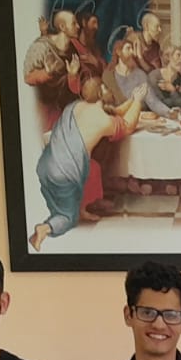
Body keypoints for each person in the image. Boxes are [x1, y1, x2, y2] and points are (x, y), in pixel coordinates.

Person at [28, 76, 149, 250]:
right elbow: (127, 125)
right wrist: (137, 101)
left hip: (46, 165)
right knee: (67, 217)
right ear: (100, 93)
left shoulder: (75, 106)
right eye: (105, 87)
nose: (109, 90)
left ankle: (83, 209)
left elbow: (114, 111)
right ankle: (44, 229)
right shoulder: (103, 120)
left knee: (93, 167)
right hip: (63, 173)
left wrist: (132, 99)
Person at [22, 9, 81, 127]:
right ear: (62, 27)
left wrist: (72, 76)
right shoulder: (41, 47)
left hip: (63, 109)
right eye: (74, 23)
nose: (78, 26)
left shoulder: (72, 51)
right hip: (45, 110)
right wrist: (46, 73)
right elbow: (28, 78)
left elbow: (74, 89)